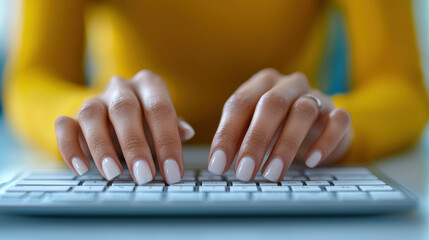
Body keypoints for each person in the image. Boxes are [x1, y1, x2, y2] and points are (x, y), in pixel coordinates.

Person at [3, 0, 428, 185]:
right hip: (131, 164)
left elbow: (401, 85)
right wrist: (85, 120)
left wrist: (337, 125)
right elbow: (33, 76)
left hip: (286, 163)